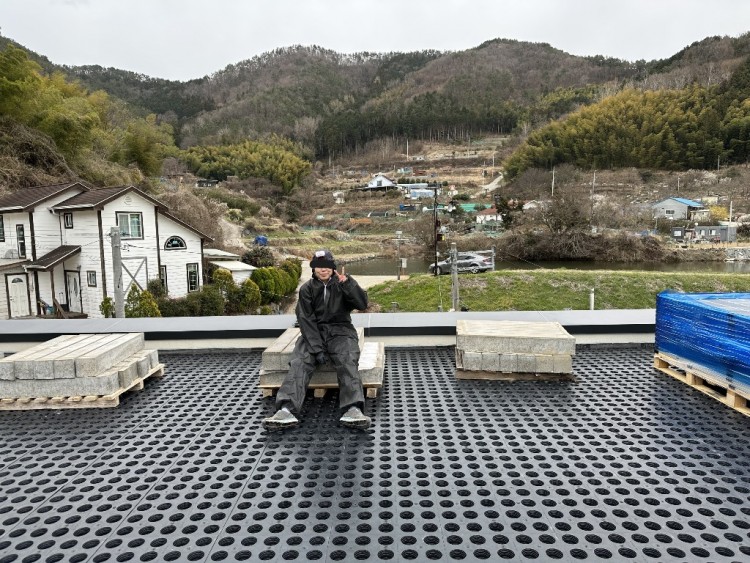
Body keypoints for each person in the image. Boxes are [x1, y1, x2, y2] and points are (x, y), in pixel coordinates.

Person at [262, 249, 371, 431]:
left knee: (347, 359)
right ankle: (286, 410)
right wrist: (317, 348)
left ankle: (353, 409)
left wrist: (349, 284)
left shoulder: (343, 283)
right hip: (314, 331)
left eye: (327, 266)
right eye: (319, 266)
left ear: (333, 267)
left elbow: (362, 304)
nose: (323, 269)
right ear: (313, 268)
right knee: (300, 361)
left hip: (341, 330)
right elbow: (305, 320)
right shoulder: (307, 289)